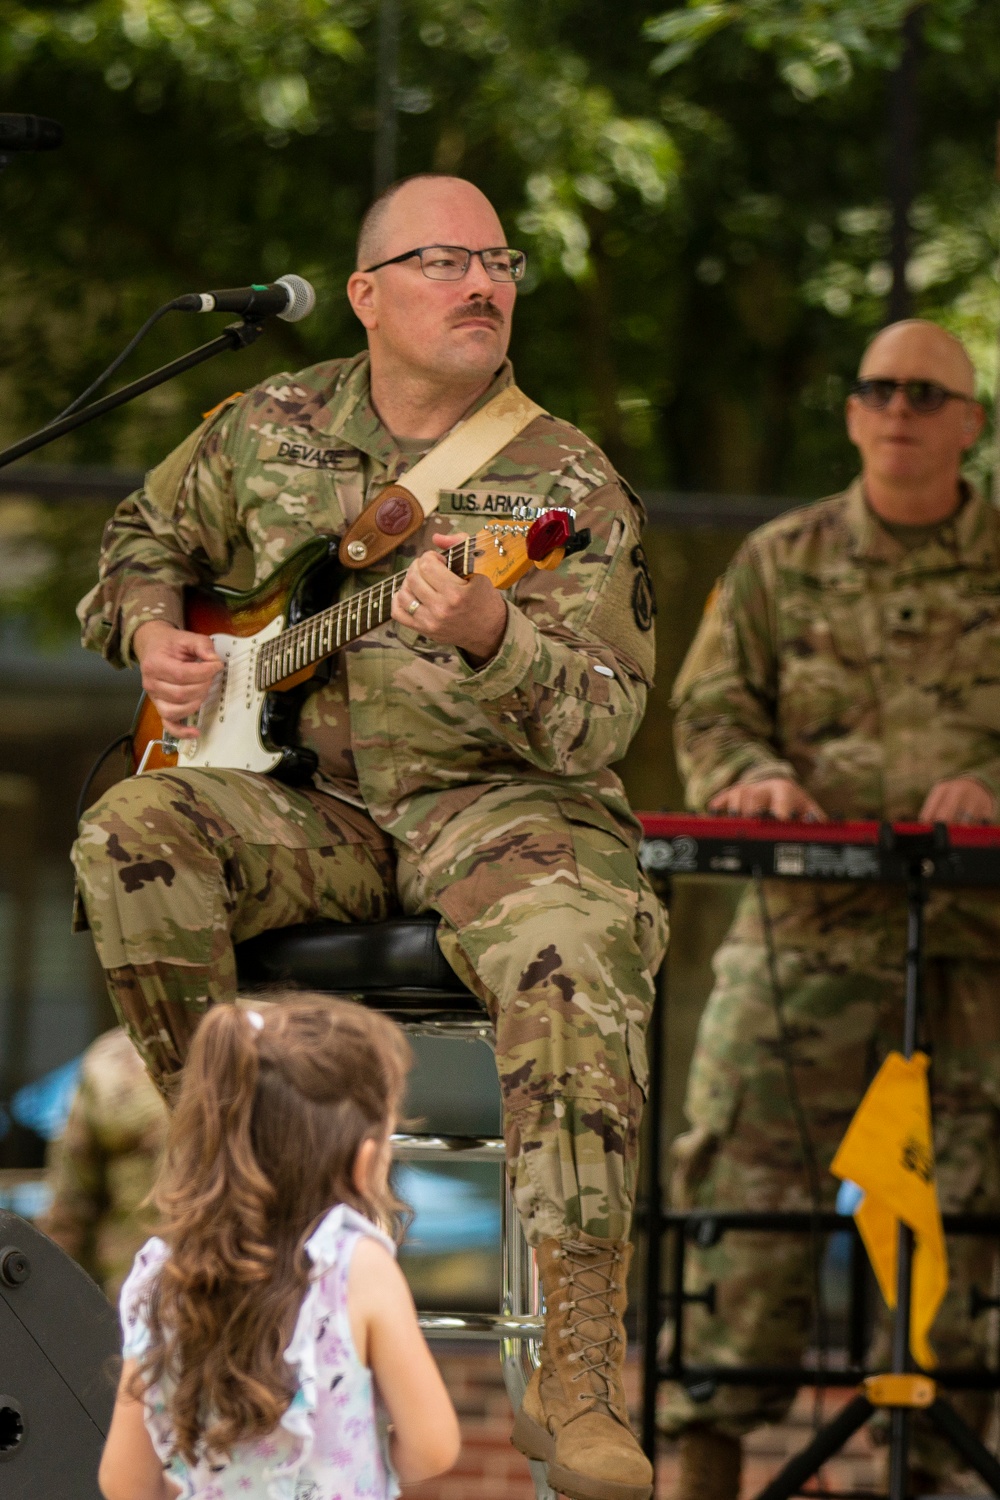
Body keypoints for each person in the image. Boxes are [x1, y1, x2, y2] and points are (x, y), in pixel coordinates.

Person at [74, 173, 668, 1500]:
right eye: (447, 260)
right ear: (366, 294)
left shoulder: (563, 478)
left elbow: (605, 721)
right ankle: (241, 1248)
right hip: (306, 808)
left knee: (580, 934)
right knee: (130, 834)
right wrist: (158, 631)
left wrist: (494, 636)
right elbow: (135, 538)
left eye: (501, 263)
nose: (483, 285)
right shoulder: (265, 424)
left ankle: (573, 1375)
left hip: (501, 803)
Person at [660, 319, 1000, 1499]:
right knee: (740, 1229)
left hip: (972, 958)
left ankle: (936, 1478)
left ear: (971, 423)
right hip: (796, 948)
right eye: (875, 390)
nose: (897, 409)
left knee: (954, 1240)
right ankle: (703, 1472)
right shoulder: (776, 559)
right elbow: (709, 713)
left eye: (924, 392)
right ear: (852, 414)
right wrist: (748, 777)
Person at [98, 997, 460, 1500]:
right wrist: (372, 1464)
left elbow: (123, 1481)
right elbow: (434, 1445)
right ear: (365, 1161)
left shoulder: (165, 1275)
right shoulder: (356, 1267)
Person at [40, 1027, 168, 1302]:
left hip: (251, 1303)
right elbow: (71, 1207)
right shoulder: (110, 1059)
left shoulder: (263, 1037)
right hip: (129, 1296)